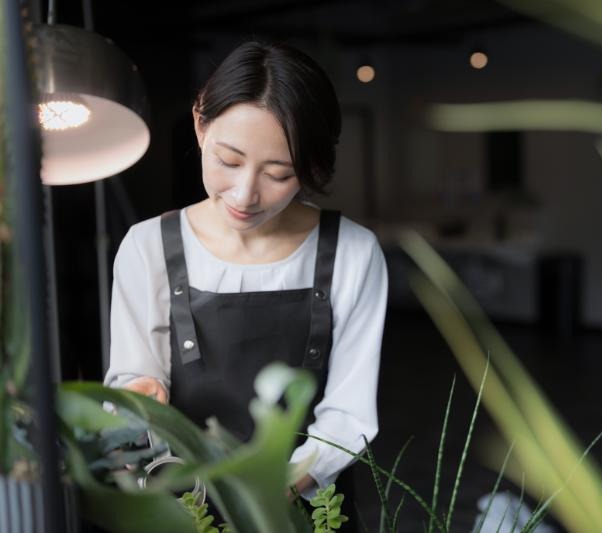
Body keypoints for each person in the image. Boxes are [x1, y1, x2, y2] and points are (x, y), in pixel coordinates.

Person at [103, 40, 388, 526]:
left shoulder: (353, 253)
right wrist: (139, 397)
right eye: (229, 161)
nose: (245, 194)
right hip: (183, 509)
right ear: (200, 124)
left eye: (278, 173)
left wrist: (273, 490)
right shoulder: (147, 246)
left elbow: (350, 416)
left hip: (307, 513)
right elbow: (131, 382)